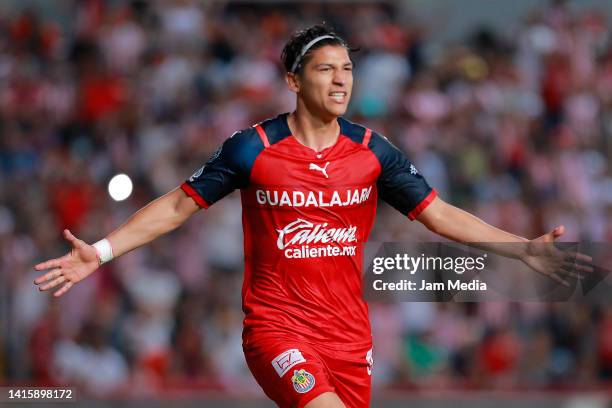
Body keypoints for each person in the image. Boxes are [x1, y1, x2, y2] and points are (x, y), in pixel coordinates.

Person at [34, 24, 590, 408]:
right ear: (295, 81)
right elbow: (179, 205)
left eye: (347, 68)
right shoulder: (251, 148)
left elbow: (439, 214)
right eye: (326, 69)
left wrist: (521, 248)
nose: (342, 79)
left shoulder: (374, 151)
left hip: (349, 336)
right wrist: (101, 252)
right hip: (276, 329)